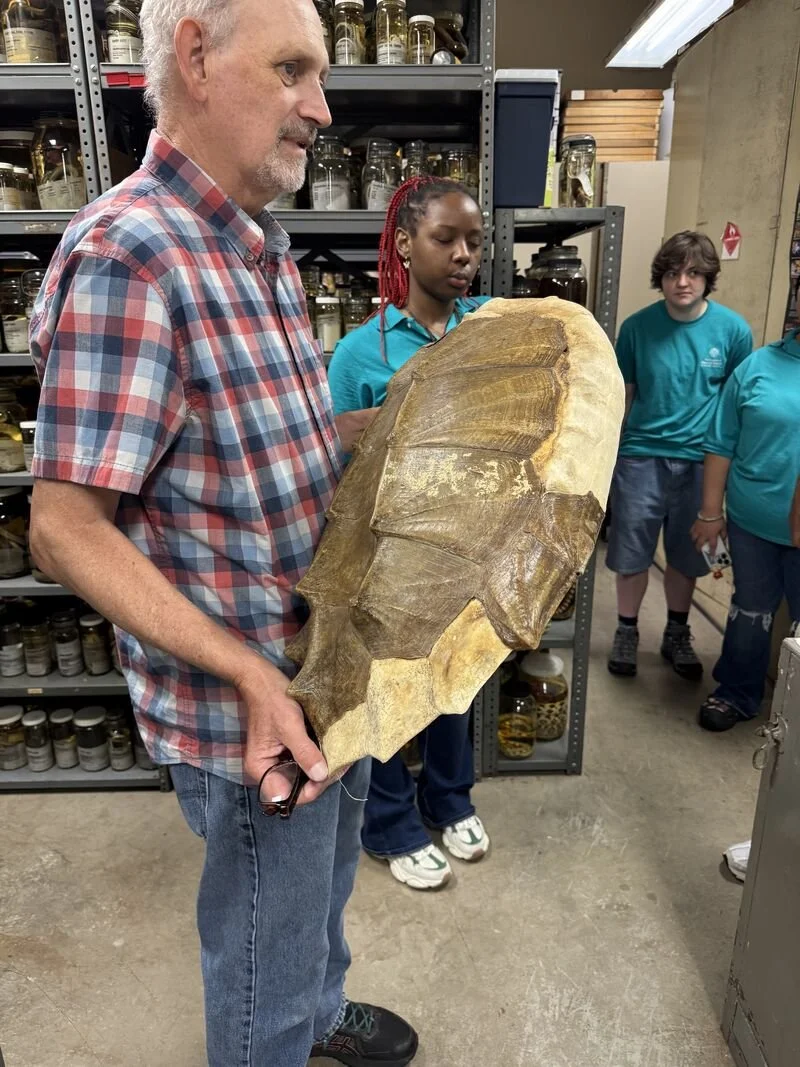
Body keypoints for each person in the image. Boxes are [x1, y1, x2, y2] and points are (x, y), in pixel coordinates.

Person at [26, 0, 417, 1064]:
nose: (320, 108)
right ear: (196, 55)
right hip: (246, 712)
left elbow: (269, 440)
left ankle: (321, 1004)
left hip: (324, 669)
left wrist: (397, 426)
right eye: (293, 70)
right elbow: (64, 527)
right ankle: (281, 1033)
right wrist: (249, 674)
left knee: (320, 898)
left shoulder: (251, 246)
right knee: (262, 956)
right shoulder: (129, 255)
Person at [327, 176, 491, 891]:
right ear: (404, 244)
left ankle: (449, 798)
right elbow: (330, 460)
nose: (463, 256)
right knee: (391, 688)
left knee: (457, 678)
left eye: (475, 241)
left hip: (468, 546)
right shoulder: (361, 354)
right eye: (445, 238)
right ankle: (389, 821)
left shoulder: (489, 333)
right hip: (388, 556)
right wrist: (351, 432)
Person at [606, 231, 752, 679]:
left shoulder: (733, 332)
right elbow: (623, 396)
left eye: (693, 273)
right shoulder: (636, 329)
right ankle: (626, 631)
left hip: (700, 464)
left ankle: (676, 631)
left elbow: (733, 406)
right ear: (661, 279)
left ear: (709, 278)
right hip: (640, 458)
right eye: (672, 273)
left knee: (688, 558)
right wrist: (608, 459)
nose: (682, 282)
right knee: (631, 555)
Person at [691, 328, 800, 731]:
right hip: (754, 523)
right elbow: (721, 442)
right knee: (751, 612)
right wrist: (708, 512)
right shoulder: (758, 367)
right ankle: (736, 693)